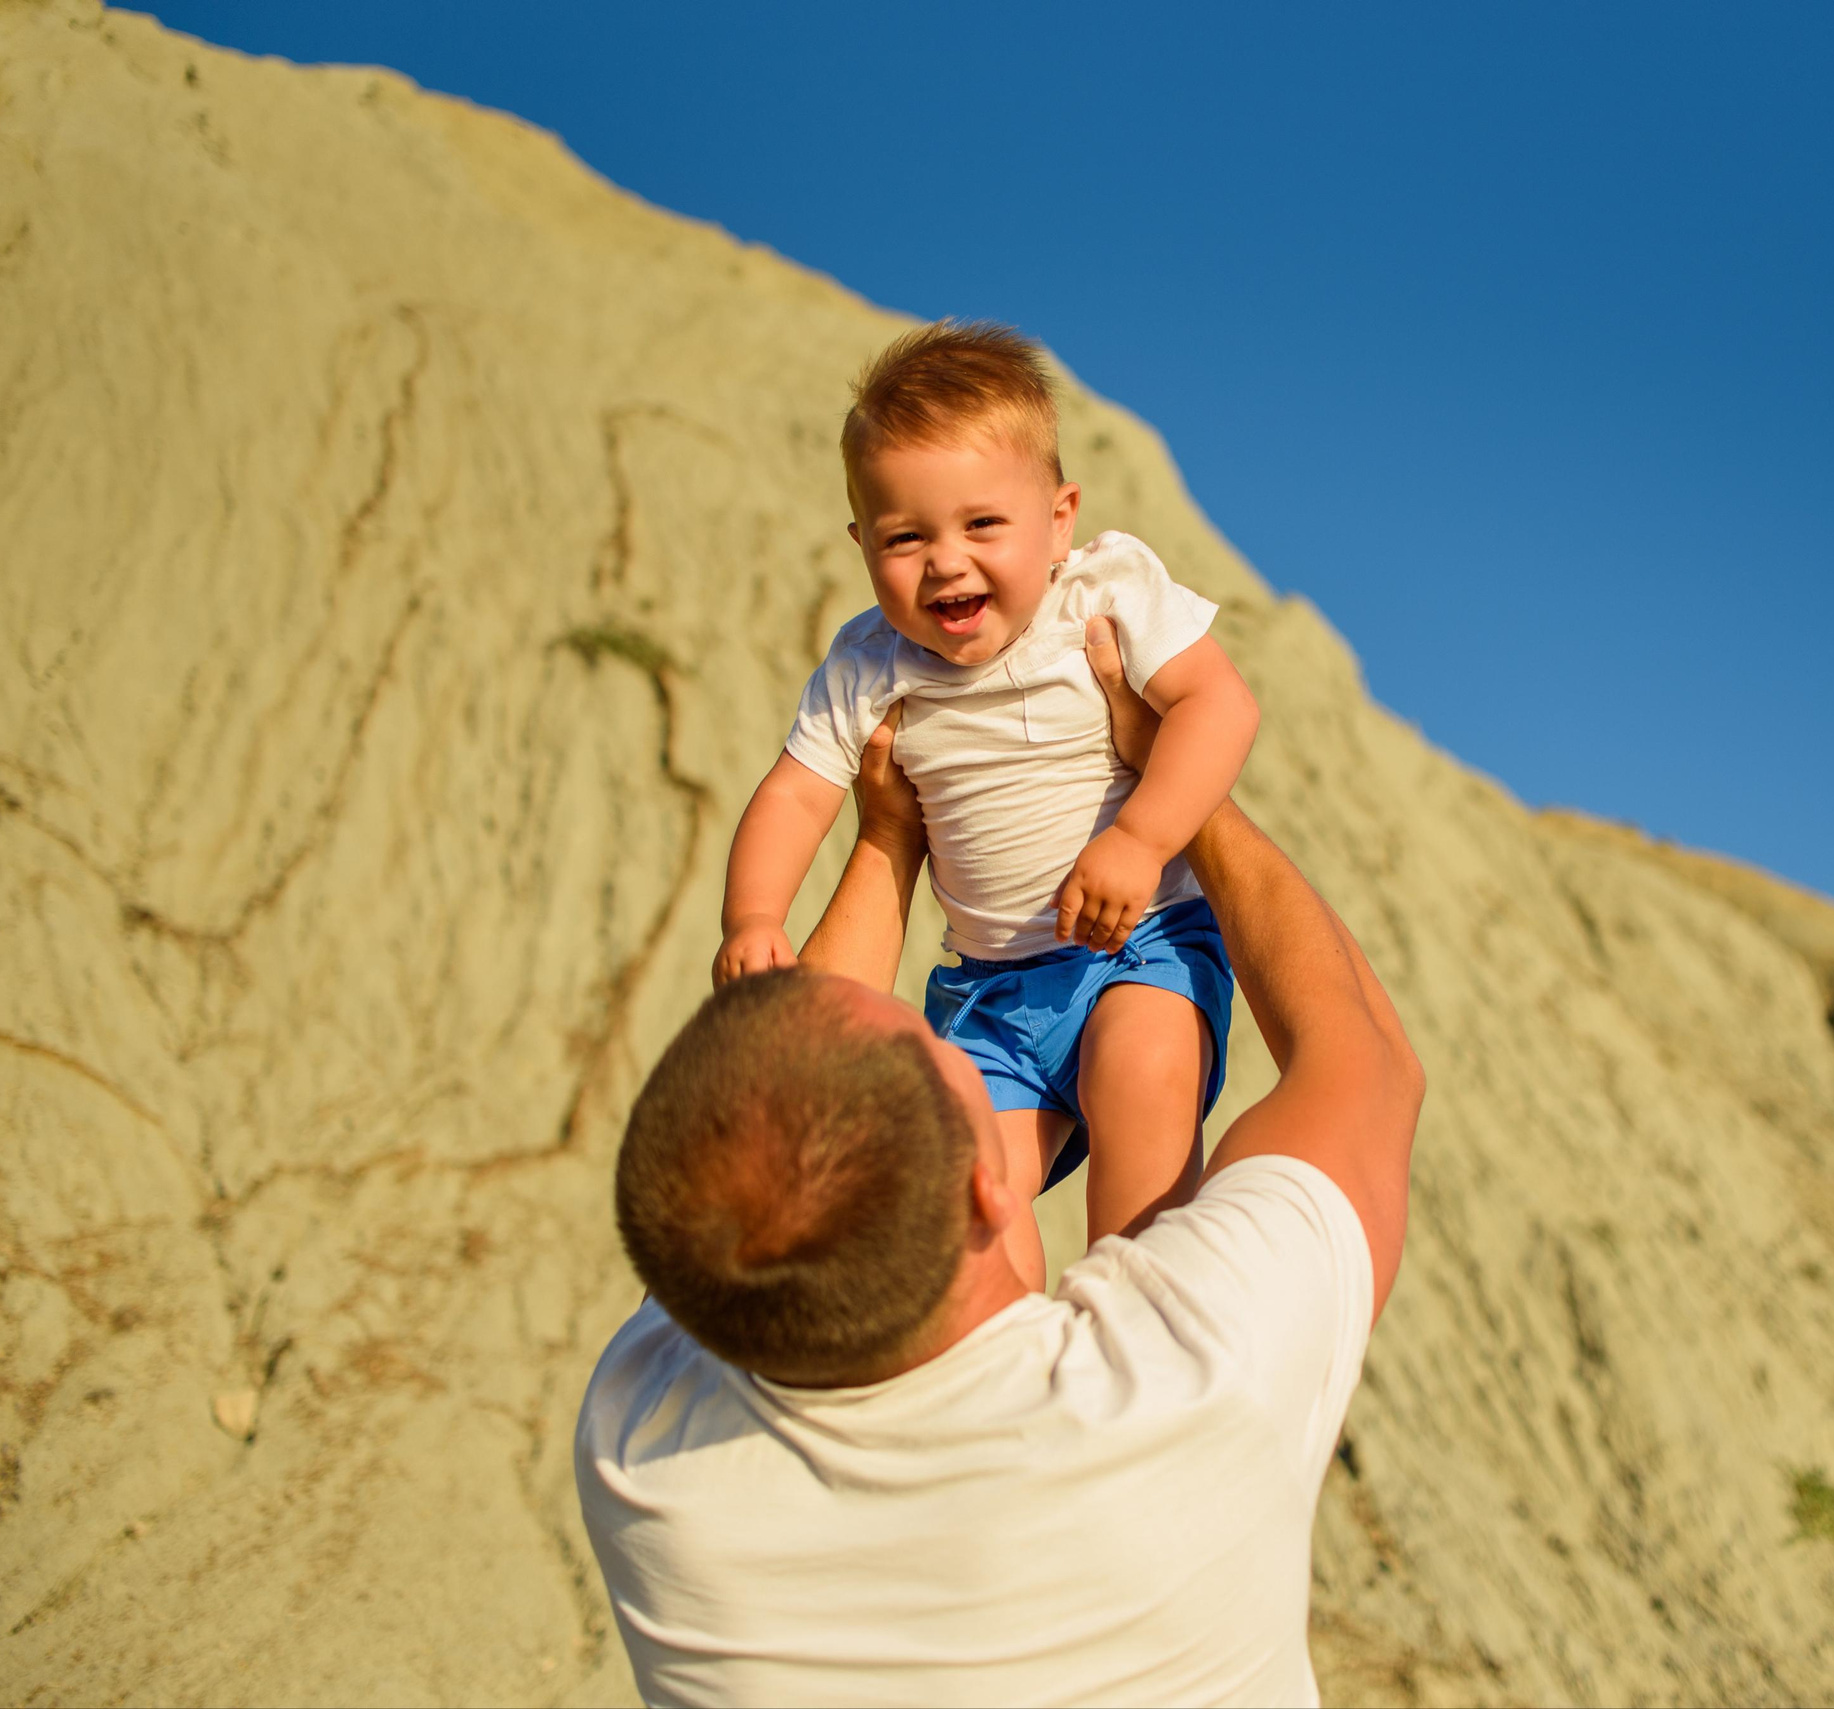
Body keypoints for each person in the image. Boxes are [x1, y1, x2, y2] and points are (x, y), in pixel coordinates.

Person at [573, 624, 1423, 1707]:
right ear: (989, 1179)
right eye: (935, 1044)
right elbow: (1369, 1066)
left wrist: (887, 833)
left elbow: (760, 1137)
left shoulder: (645, 1453)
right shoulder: (1187, 1386)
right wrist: (1180, 790)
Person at [708, 320, 1261, 1256]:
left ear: (1058, 518)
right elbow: (795, 793)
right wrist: (753, 916)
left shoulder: (1102, 598)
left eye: (982, 524)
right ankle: (1006, 1360)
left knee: (1144, 1080)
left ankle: (1137, 1302)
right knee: (968, 1202)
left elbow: (1219, 705)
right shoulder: (869, 663)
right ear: (860, 543)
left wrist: (1142, 838)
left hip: (1140, 944)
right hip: (994, 998)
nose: (945, 559)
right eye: (904, 536)